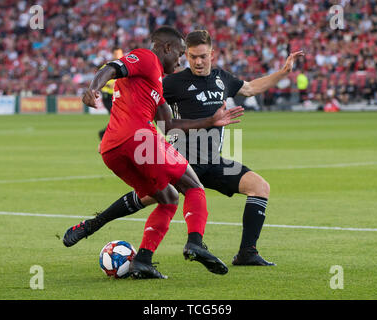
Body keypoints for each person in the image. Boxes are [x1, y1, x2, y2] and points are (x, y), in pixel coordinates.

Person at [64, 29, 303, 267]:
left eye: (202, 56)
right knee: (151, 197)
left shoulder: (222, 79)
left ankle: (247, 253)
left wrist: (283, 73)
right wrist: (109, 128)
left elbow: (250, 88)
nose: (197, 62)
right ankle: (97, 226)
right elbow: (134, 95)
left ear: (212, 54)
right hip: (184, 157)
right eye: (190, 56)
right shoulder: (171, 80)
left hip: (213, 160)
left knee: (259, 187)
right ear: (184, 54)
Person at [98, 47, 124, 140]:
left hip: (118, 96)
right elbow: (99, 79)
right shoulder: (107, 66)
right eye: (116, 54)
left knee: (118, 118)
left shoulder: (124, 66)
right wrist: (109, 84)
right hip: (108, 96)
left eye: (119, 54)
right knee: (117, 117)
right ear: (113, 55)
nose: (118, 56)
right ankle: (105, 134)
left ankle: (106, 134)